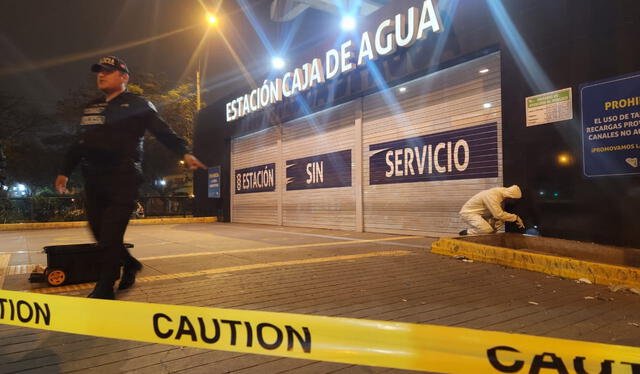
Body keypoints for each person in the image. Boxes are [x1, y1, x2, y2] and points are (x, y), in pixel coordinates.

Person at [55, 56, 207, 299]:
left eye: (108, 71)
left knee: (110, 235)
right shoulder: (92, 107)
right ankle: (131, 264)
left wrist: (184, 153)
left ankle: (105, 287)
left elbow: (162, 131)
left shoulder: (138, 104)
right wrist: (64, 171)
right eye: (99, 71)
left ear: (124, 77)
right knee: (99, 233)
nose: (101, 75)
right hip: (93, 179)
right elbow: (79, 143)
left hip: (123, 178)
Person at [459, 185, 525, 235]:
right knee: (486, 230)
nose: (514, 203)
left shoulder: (502, 196)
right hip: (469, 212)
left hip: (482, 214)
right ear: (510, 197)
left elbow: (499, 216)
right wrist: (515, 217)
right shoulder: (493, 195)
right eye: (514, 200)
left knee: (492, 230)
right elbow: (498, 215)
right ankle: (467, 232)